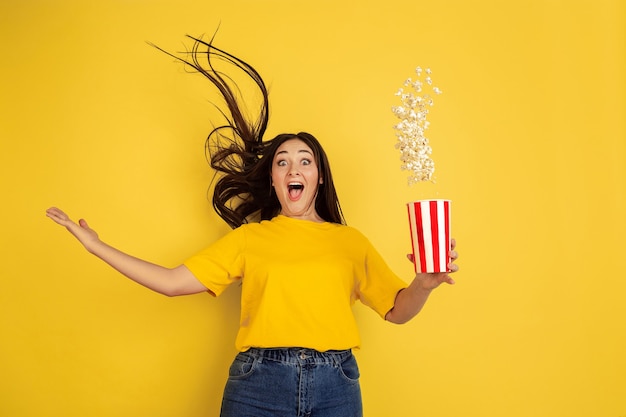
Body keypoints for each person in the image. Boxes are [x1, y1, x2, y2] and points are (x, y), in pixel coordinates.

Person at [46, 35, 459, 417]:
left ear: (318, 177)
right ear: (274, 180)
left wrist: (424, 282)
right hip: (258, 384)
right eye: (282, 162)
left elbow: (396, 311)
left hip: (337, 386)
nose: (292, 167)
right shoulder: (249, 239)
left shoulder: (350, 242)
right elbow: (171, 282)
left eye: (304, 160)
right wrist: (97, 246)